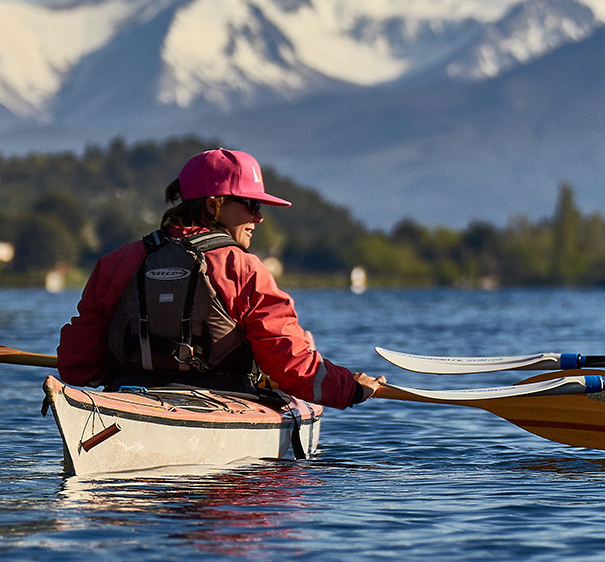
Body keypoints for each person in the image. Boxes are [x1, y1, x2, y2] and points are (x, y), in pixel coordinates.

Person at [58, 147, 385, 408]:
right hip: (227, 401)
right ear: (214, 205)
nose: (258, 218)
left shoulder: (117, 262)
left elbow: (77, 365)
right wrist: (350, 388)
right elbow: (292, 364)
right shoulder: (242, 268)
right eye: (251, 205)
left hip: (128, 399)